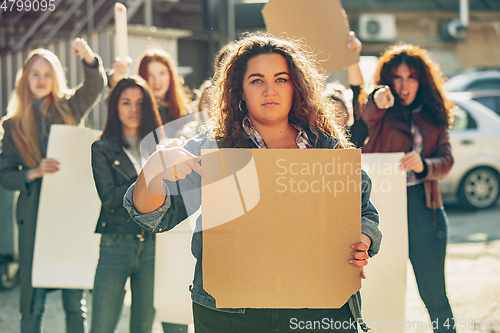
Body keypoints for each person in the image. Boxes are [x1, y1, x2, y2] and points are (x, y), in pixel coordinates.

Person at [124, 32, 382, 333]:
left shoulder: (328, 148)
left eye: (281, 79)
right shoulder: (213, 149)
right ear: (240, 90)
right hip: (231, 314)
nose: (269, 90)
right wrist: (153, 171)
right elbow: (154, 216)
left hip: (320, 308)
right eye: (257, 80)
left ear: (296, 86)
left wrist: (362, 241)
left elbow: (364, 214)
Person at [0, 39, 106, 333]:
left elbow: (94, 86)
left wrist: (87, 56)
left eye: (47, 73)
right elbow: (4, 174)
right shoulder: (12, 125)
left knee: (74, 297)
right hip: (34, 217)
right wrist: (32, 173)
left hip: (70, 213)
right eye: (35, 73)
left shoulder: (69, 107)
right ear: (25, 78)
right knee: (32, 299)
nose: (41, 79)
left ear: (55, 77)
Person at [359, 43, 455, 332]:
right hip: (383, 209)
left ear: (421, 80)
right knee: (379, 293)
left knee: (435, 295)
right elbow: (365, 118)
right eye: (397, 78)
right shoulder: (382, 111)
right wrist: (377, 98)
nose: (403, 85)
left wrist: (424, 165)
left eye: (411, 77)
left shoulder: (434, 115)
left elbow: (447, 159)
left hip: (425, 211)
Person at [89, 76, 163, 333]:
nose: (134, 109)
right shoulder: (101, 148)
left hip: (153, 246)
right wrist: (150, 175)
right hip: (115, 244)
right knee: (101, 326)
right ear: (114, 107)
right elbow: (110, 198)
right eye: (126, 102)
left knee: (143, 327)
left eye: (140, 103)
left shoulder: (159, 148)